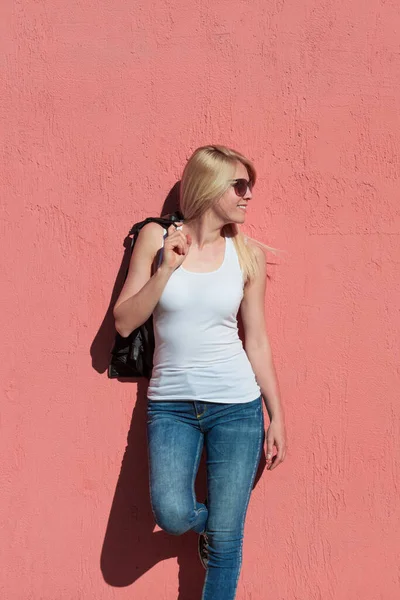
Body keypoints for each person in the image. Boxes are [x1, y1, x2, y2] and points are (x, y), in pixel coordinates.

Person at [113, 144, 287, 600]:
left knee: (228, 543)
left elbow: (258, 340)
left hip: (237, 408)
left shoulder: (246, 254)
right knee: (171, 514)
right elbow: (125, 321)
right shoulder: (157, 239)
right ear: (209, 187)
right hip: (170, 407)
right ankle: (216, 525)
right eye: (239, 186)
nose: (248, 196)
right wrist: (166, 269)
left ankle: (222, 533)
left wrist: (277, 415)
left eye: (249, 186)